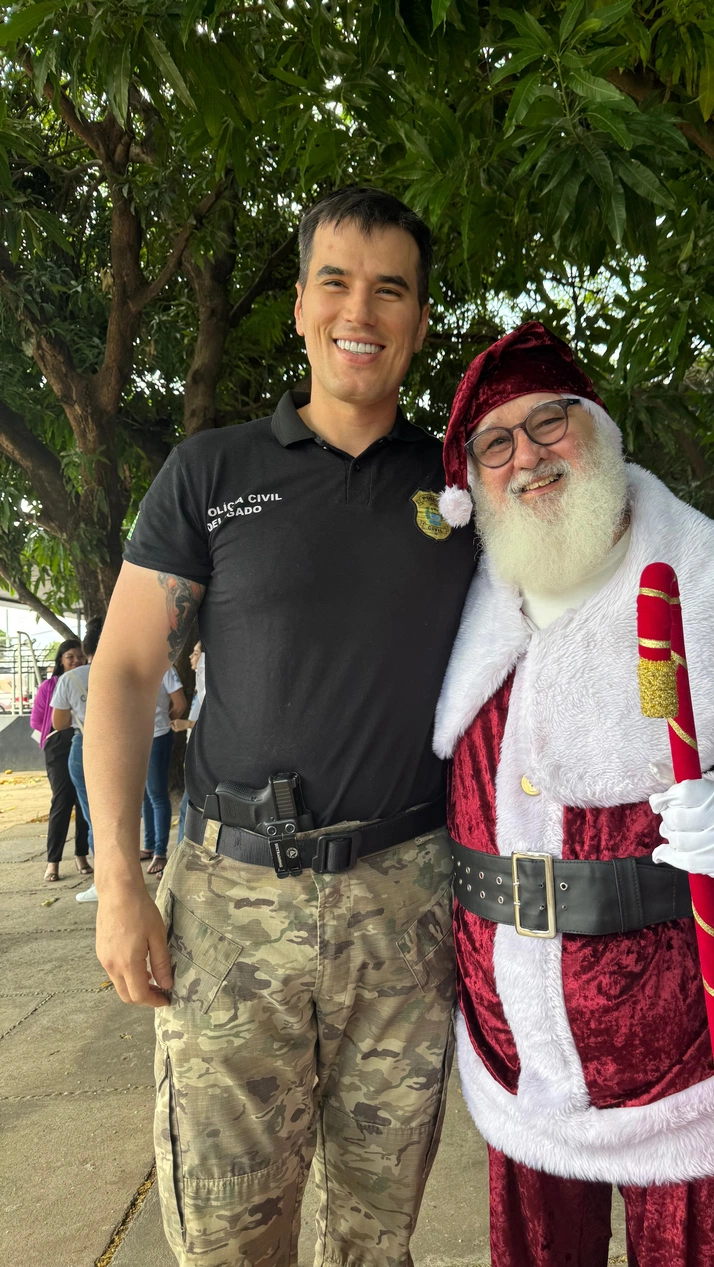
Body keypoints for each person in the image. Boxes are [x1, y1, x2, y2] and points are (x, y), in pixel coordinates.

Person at [84, 187, 477, 1267]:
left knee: (374, 1233)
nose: (362, 309)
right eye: (337, 282)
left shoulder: (459, 488)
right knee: (225, 1235)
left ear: (418, 318)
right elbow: (122, 672)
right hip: (228, 908)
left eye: (390, 288)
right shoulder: (211, 473)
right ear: (302, 304)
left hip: (405, 906)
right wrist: (120, 881)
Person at [432, 324, 714, 1267]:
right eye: (496, 444)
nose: (528, 458)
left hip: (687, 1050)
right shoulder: (467, 600)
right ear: (474, 479)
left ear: (597, 431)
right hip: (520, 1053)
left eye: (549, 425)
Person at [51, 617, 104, 904]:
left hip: (85, 746)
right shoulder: (125, 671)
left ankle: (104, 881)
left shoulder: (70, 678)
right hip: (124, 747)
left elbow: (59, 724)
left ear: (85, 648)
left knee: (93, 815)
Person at [32, 638, 92, 881]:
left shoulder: (90, 679)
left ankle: (81, 855)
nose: (75, 660)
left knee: (83, 801)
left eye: (79, 655)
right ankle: (52, 861)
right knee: (61, 801)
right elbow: (37, 719)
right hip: (58, 745)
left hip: (83, 741)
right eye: (70, 656)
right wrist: (49, 736)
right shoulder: (50, 685)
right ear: (60, 660)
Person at [140, 666, 187, 874]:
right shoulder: (131, 663)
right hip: (136, 736)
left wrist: (163, 722)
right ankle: (149, 845)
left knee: (157, 794)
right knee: (145, 795)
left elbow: (180, 704)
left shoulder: (164, 668)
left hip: (157, 736)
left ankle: (160, 852)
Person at [171, 641, 204, 847]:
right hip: (195, 754)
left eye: (196, 653)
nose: (191, 657)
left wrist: (188, 723)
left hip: (203, 758)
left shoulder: (211, 687)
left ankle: (180, 859)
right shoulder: (200, 686)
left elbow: (219, 723)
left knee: (188, 810)